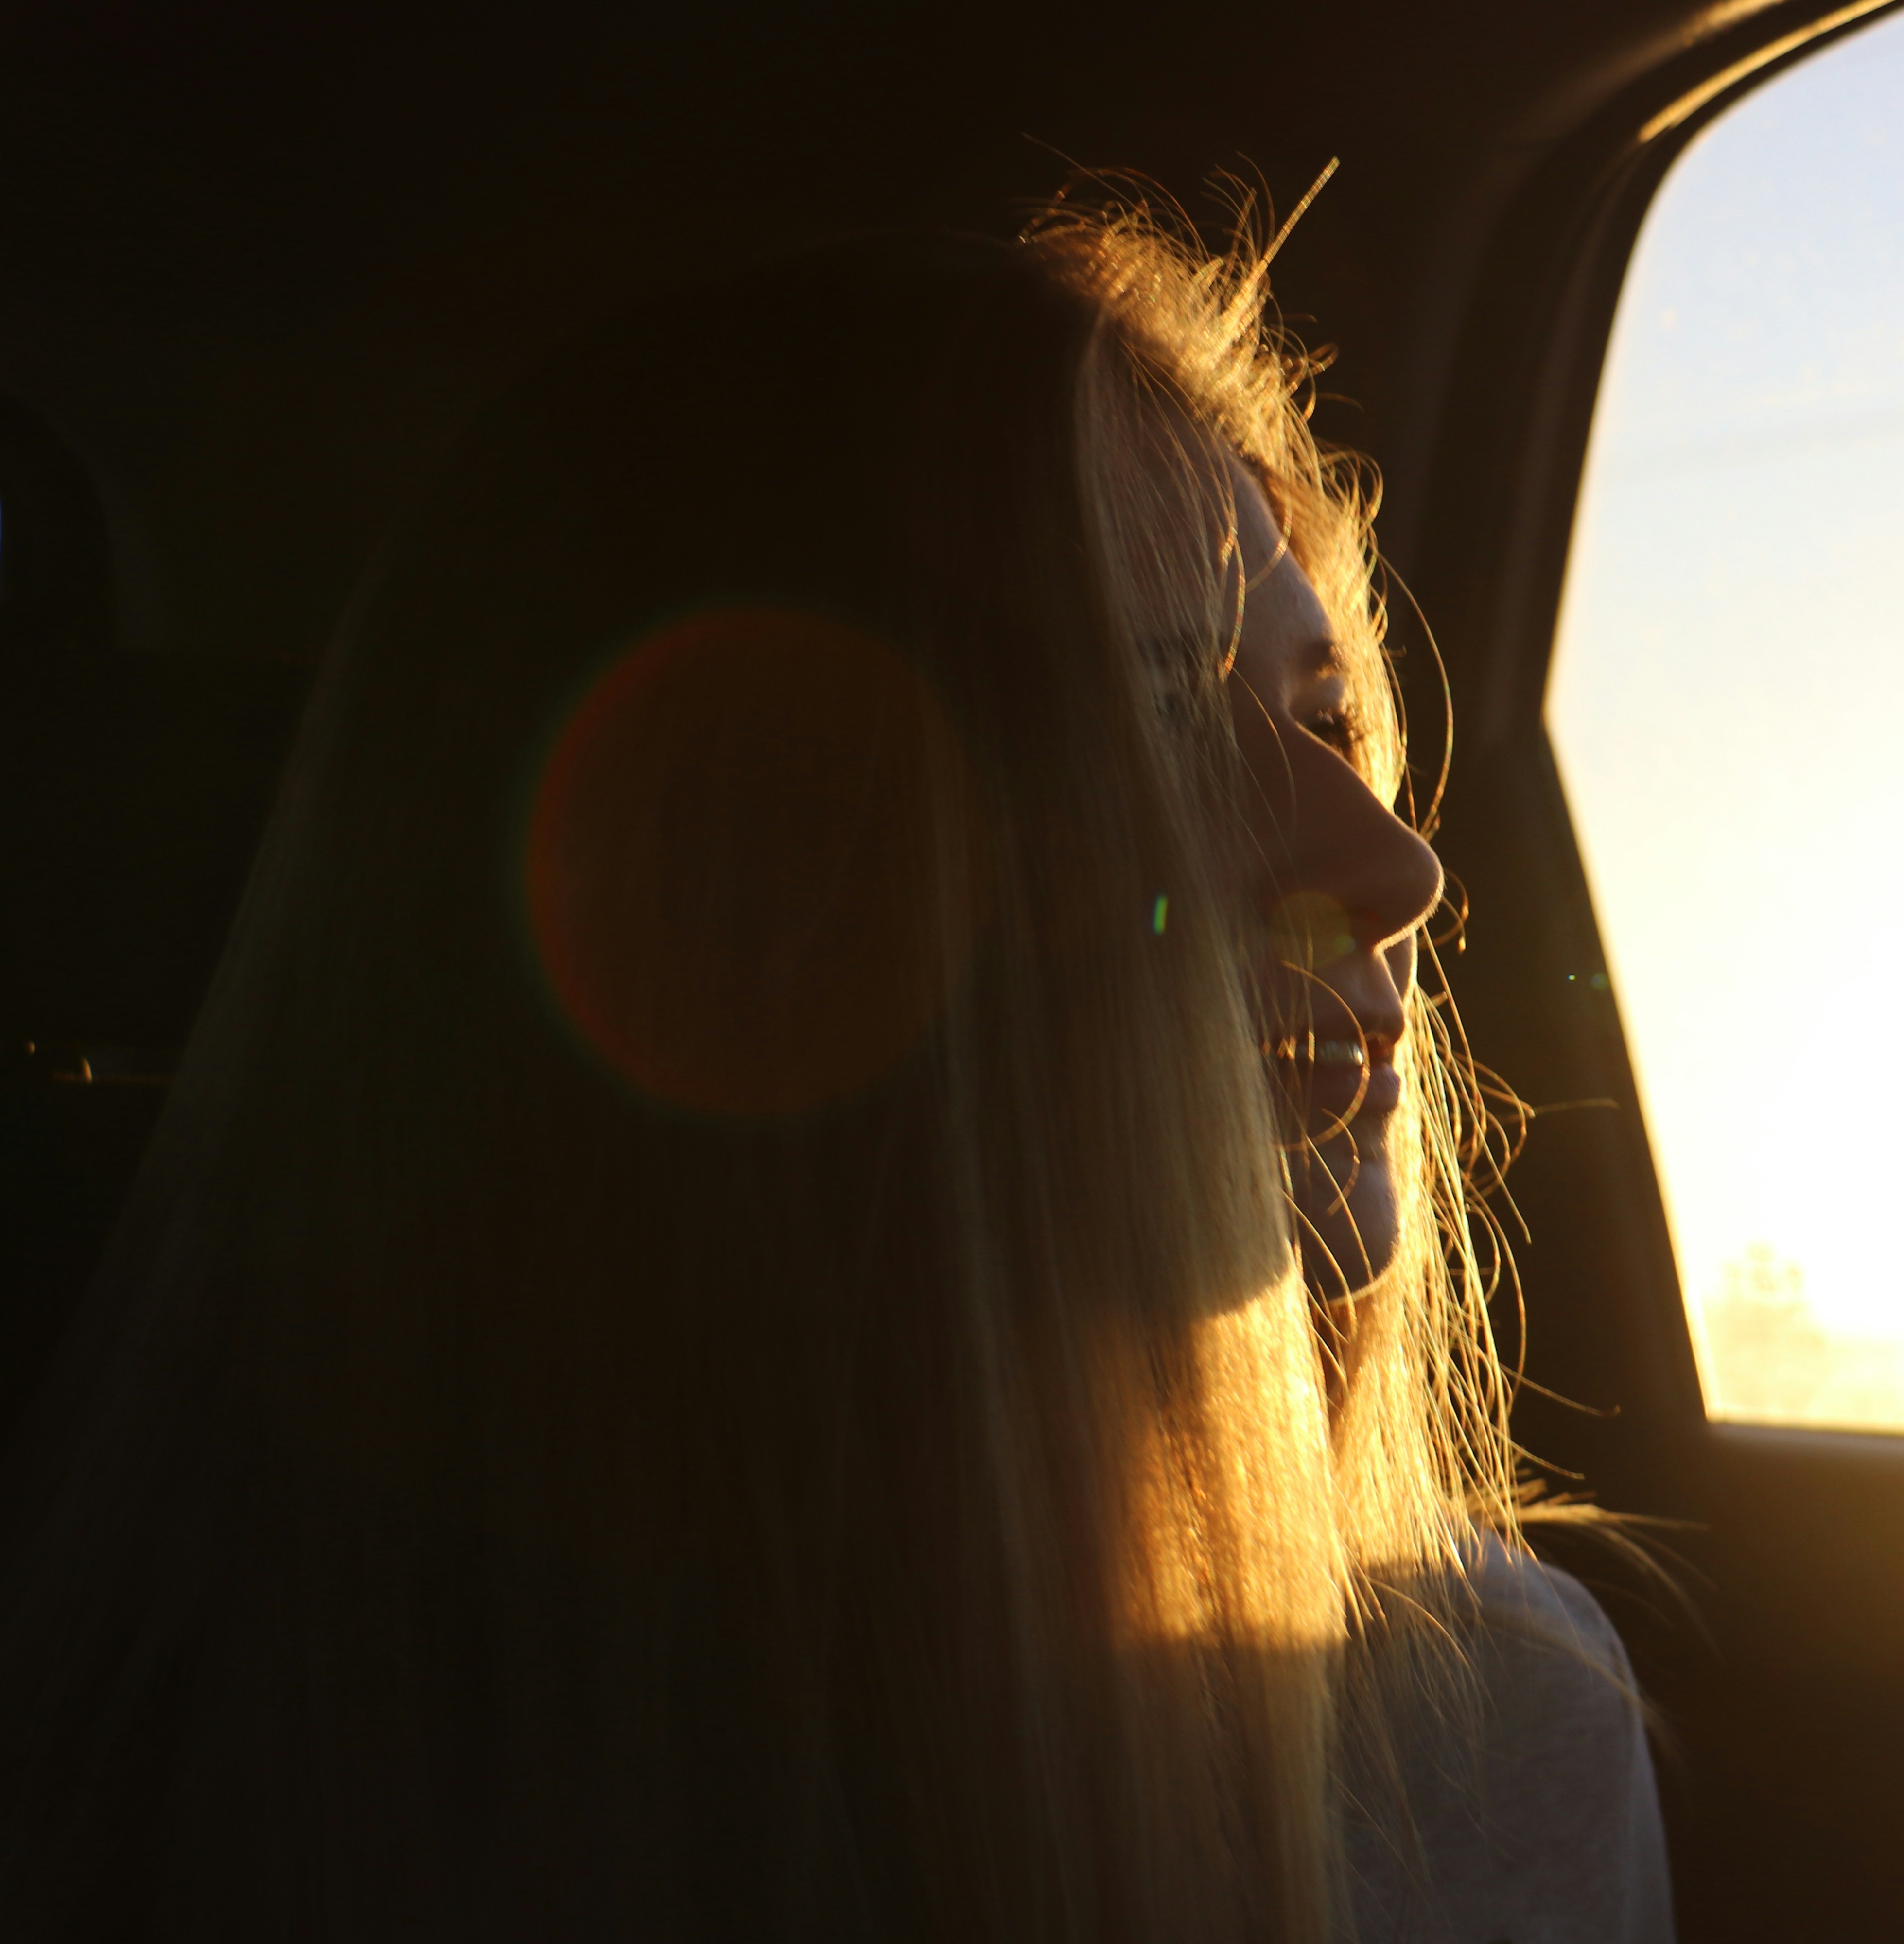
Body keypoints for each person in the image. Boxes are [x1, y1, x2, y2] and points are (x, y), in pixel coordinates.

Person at [0, 197, 1668, 1943]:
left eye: (1327, 719)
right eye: (1148, 723)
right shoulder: (237, 1796)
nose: (1395, 871)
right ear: (739, 905)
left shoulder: (1492, 1735)